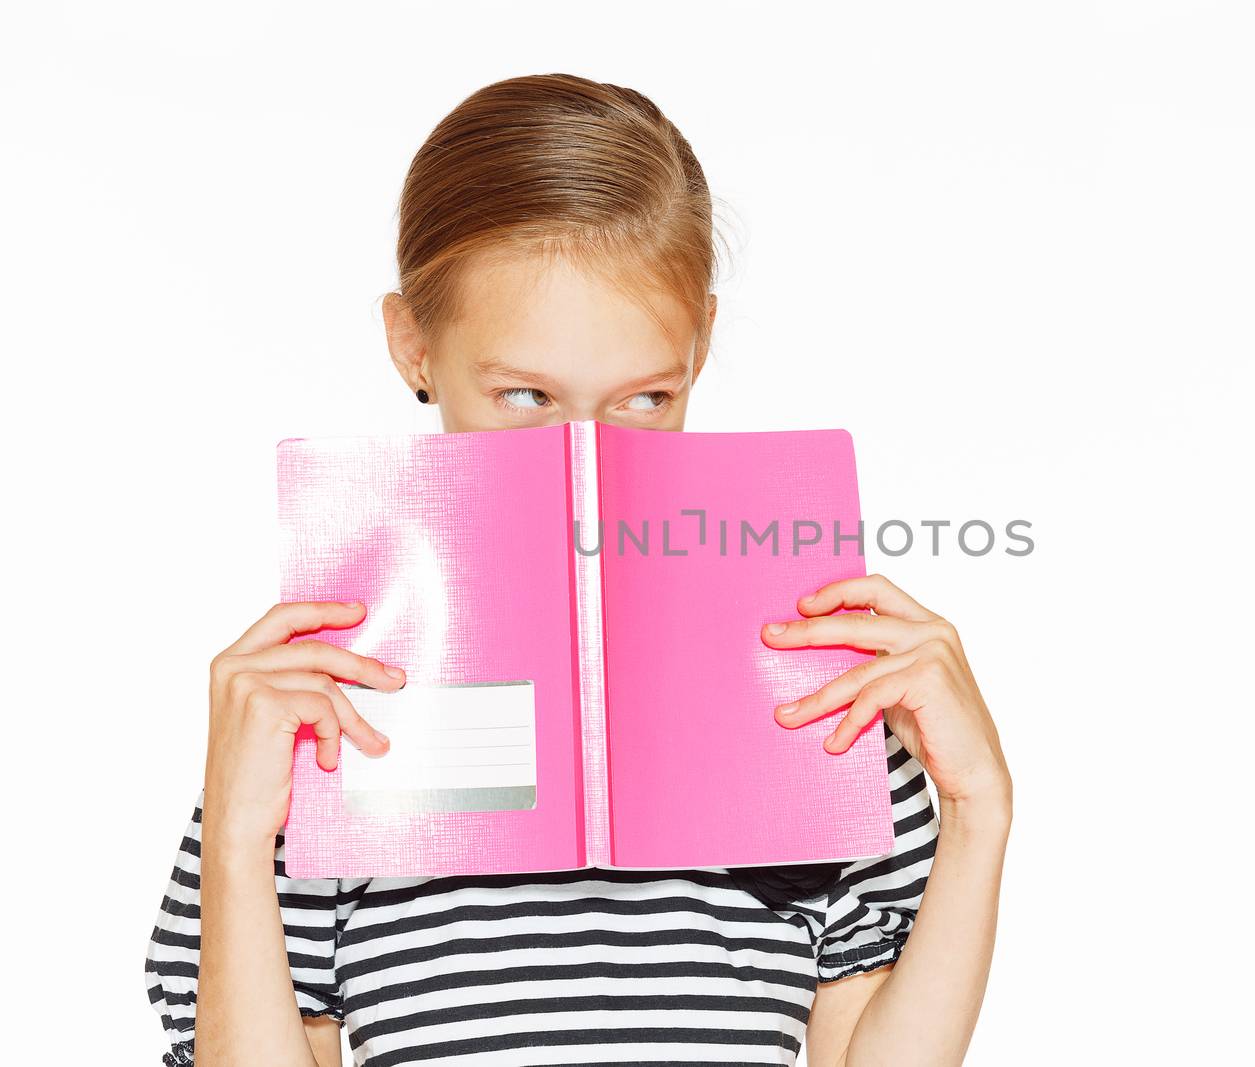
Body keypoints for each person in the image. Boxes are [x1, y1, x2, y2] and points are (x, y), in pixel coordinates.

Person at [143, 73, 1011, 1067]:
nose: (585, 459)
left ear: (699, 348)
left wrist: (979, 811)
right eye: (524, 393)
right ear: (413, 345)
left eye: (644, 397)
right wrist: (241, 838)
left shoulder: (816, 691)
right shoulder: (330, 705)